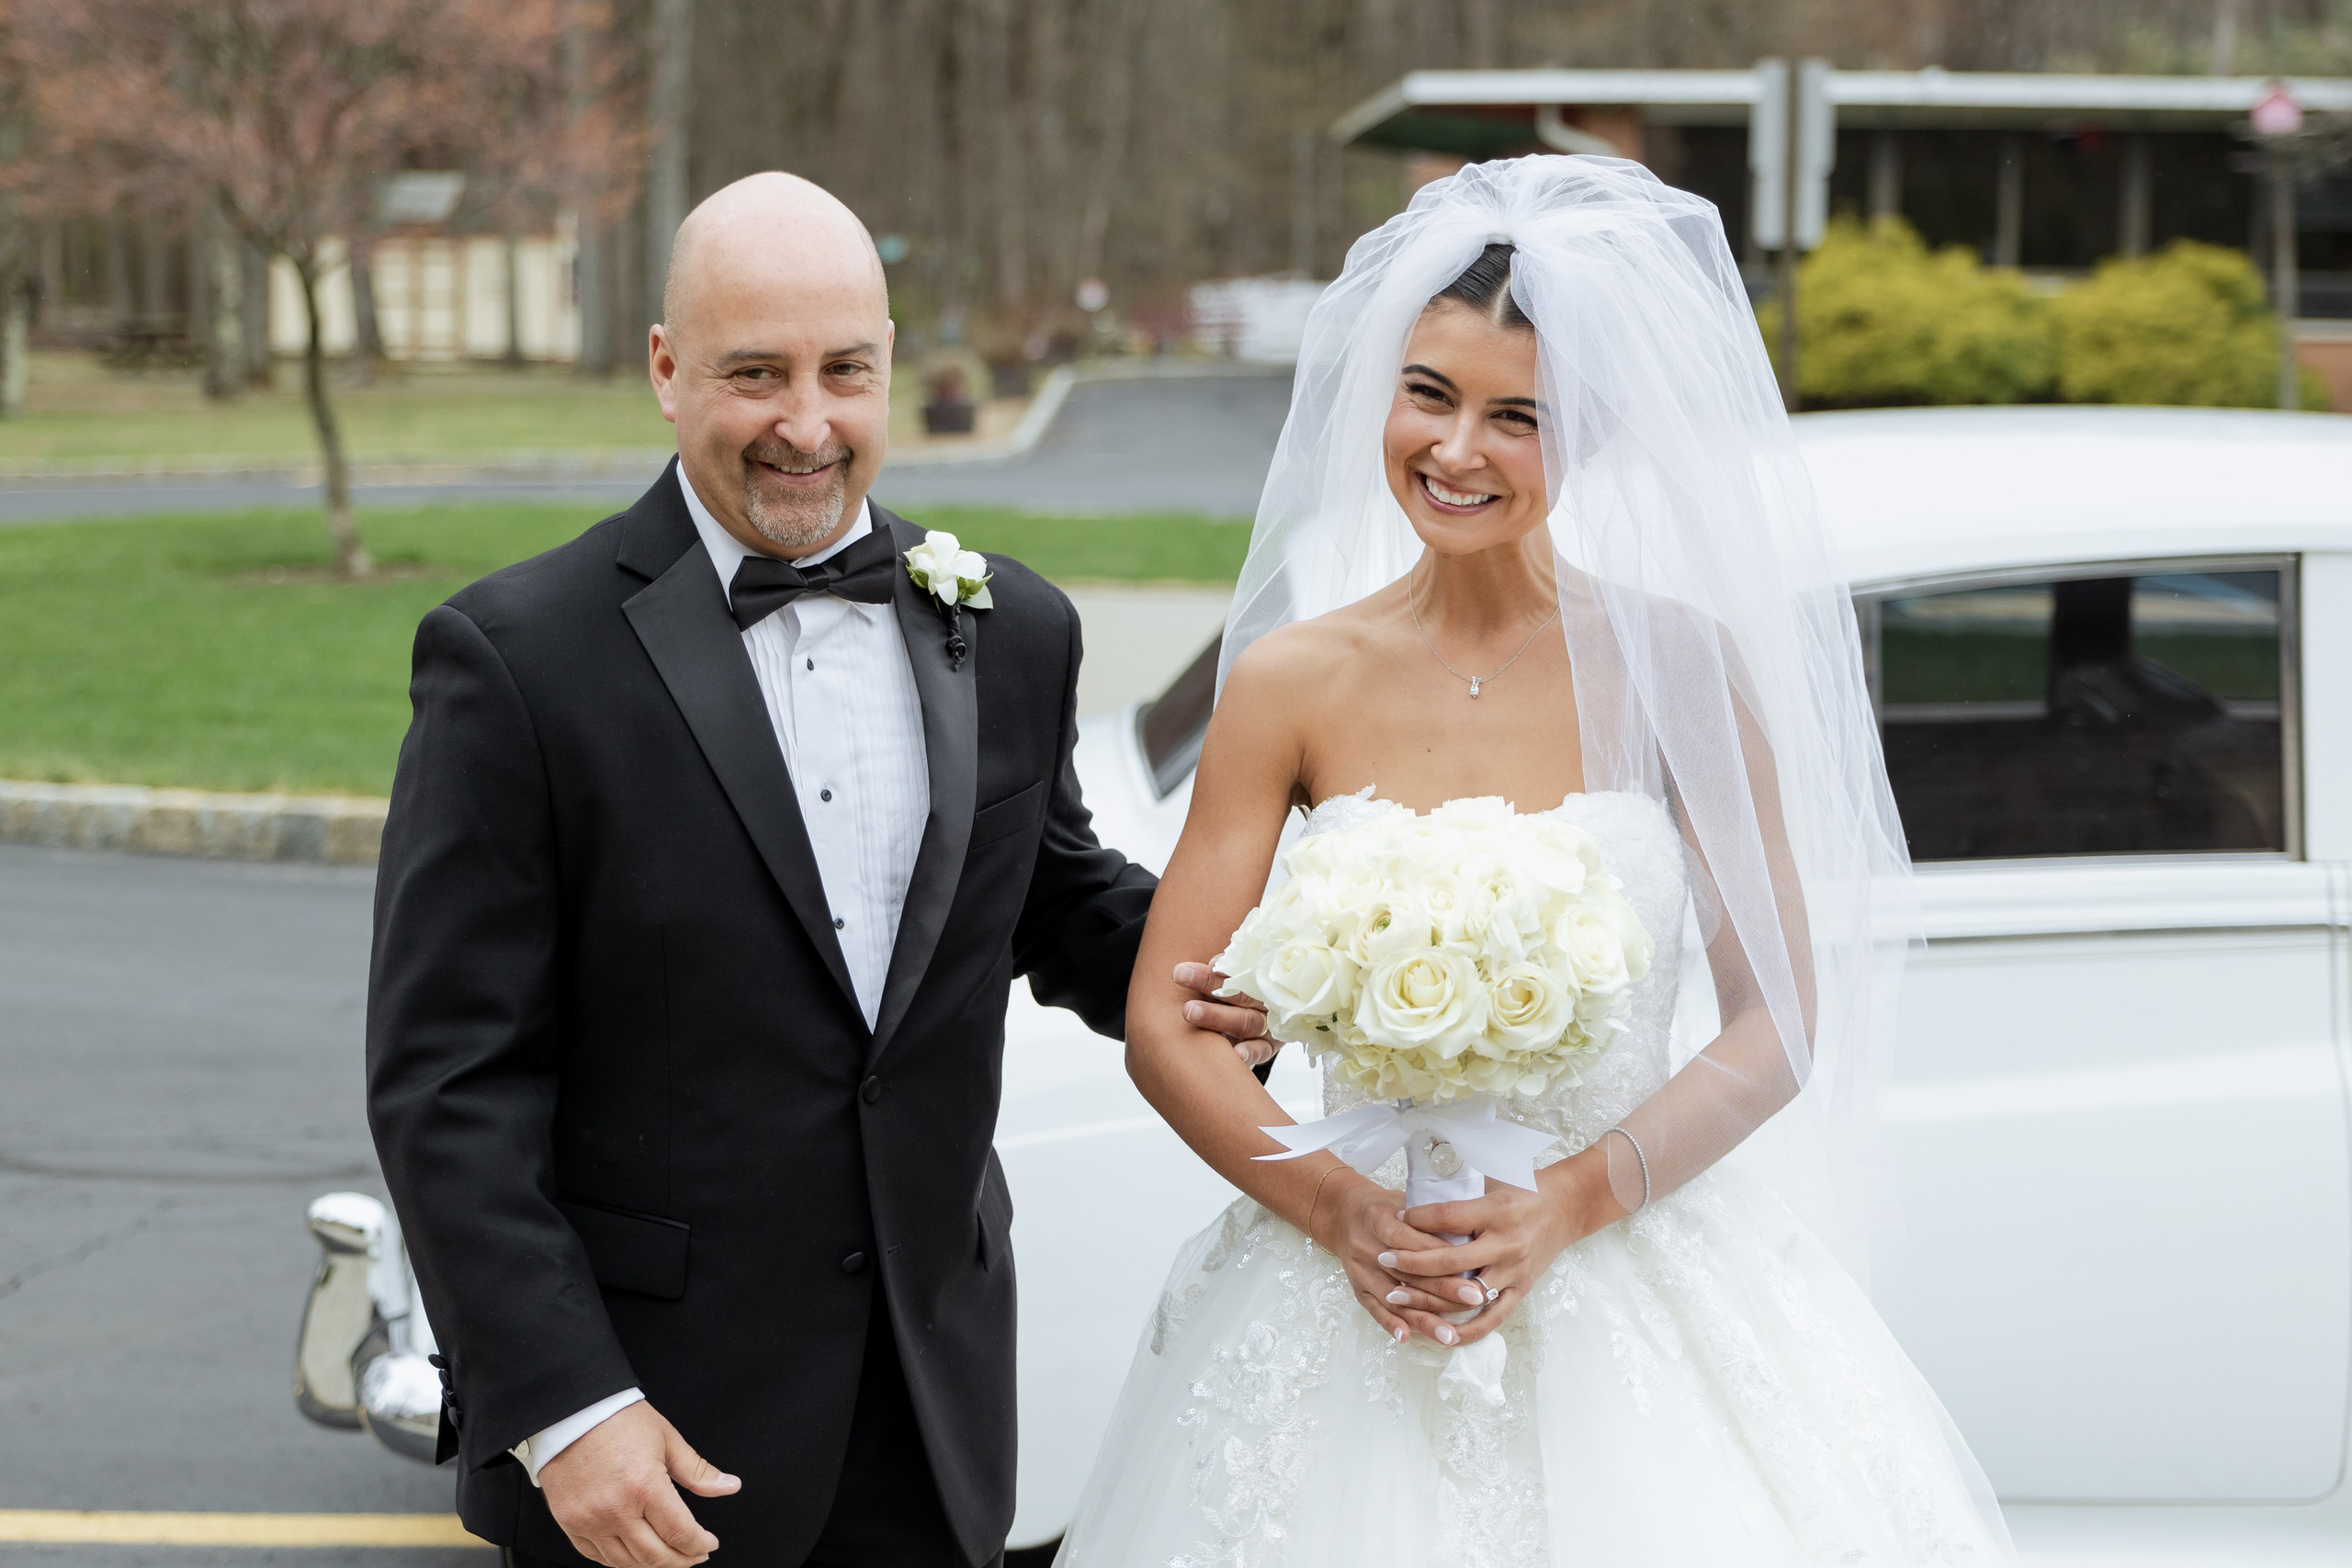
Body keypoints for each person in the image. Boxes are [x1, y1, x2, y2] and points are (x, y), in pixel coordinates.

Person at [1057, 156, 2018, 1563]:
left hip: (1624, 1268)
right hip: (1344, 1272)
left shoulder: (1679, 669)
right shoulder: (1290, 680)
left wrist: (1571, 1200)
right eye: (1431, 396)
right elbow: (1164, 1020)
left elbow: (1781, 1020)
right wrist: (1338, 1208)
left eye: (1521, 419)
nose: (1458, 452)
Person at [365, 172, 1265, 1568]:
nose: (808, 423)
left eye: (846, 370)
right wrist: (566, 1406)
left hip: (929, 1404)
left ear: (891, 361)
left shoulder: (1011, 628)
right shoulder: (516, 661)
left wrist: (1304, 976)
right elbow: (447, 1081)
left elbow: (1054, 899)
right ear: (666, 371)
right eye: (755, 374)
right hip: (646, 1437)